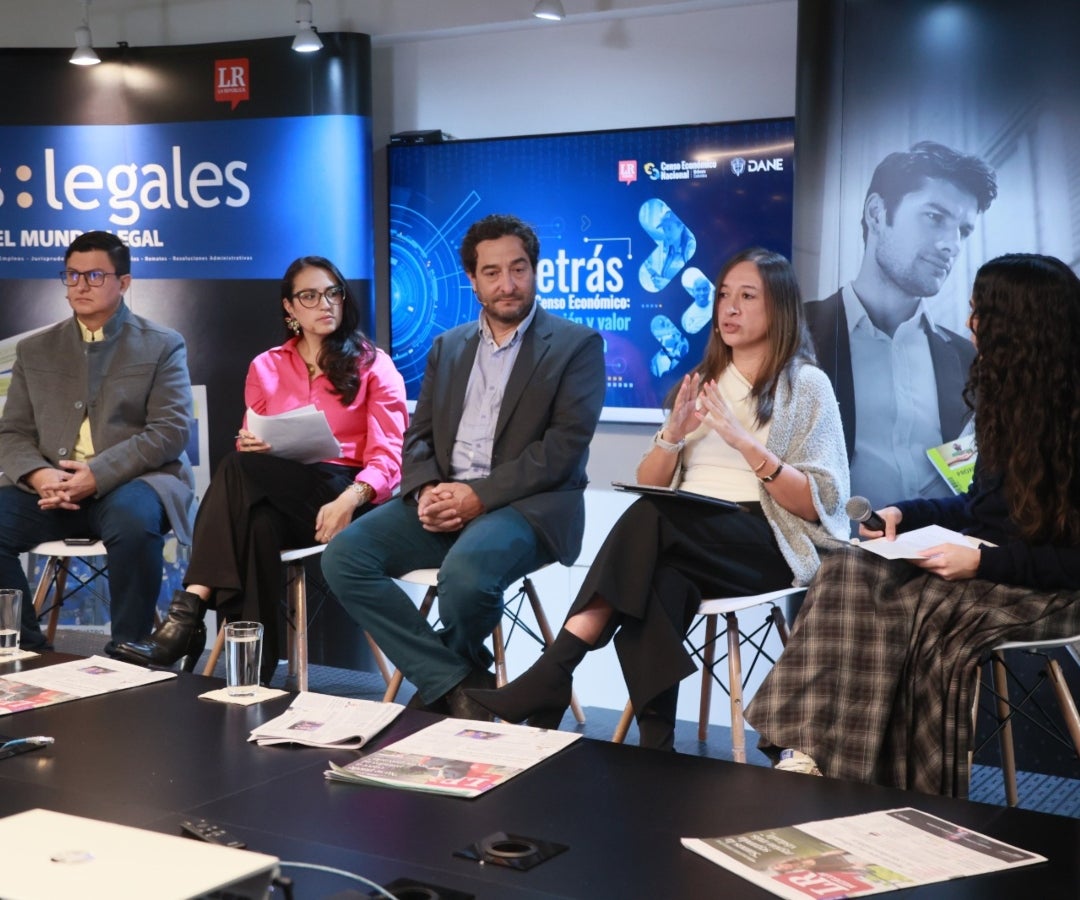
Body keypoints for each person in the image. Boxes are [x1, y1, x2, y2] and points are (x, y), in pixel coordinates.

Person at [468, 248, 850, 749]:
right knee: (657, 581)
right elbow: (650, 477)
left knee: (650, 520)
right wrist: (673, 434)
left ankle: (555, 671)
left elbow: (820, 502)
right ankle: (656, 743)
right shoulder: (703, 382)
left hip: (766, 537)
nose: (729, 309)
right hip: (686, 533)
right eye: (723, 297)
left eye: (747, 297)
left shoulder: (806, 386)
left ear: (779, 308)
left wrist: (745, 443)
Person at [745, 253, 1080, 797]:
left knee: (919, 609)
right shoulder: (1005, 398)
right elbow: (980, 510)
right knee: (847, 568)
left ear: (1023, 326)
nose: (969, 323)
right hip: (987, 561)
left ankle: (886, 779)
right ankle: (809, 749)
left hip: (1046, 586)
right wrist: (907, 512)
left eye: (981, 313)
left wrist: (984, 561)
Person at [321, 214, 606, 720]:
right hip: (445, 498)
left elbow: (561, 450)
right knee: (343, 558)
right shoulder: (447, 347)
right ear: (472, 280)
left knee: (467, 575)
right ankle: (461, 680)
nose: (508, 284)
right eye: (492, 272)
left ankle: (445, 684)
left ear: (536, 271)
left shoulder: (575, 346)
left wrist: (479, 497)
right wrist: (429, 487)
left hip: (526, 506)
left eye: (518, 269)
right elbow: (419, 435)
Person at [116, 256, 408, 680]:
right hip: (278, 488)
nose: (324, 304)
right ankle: (254, 676)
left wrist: (351, 498)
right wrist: (253, 442)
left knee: (238, 468)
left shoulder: (372, 364)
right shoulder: (266, 366)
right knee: (258, 524)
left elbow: (390, 458)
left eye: (332, 293)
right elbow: (250, 438)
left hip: (345, 497)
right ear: (290, 308)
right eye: (309, 296)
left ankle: (188, 614)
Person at [0, 230, 194, 656]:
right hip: (51, 490)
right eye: (72, 275)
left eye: (93, 275)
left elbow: (170, 429)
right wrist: (39, 474)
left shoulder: (162, 344)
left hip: (133, 483)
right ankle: (26, 650)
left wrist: (98, 475)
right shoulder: (35, 350)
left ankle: (129, 651)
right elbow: (12, 432)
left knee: (132, 519)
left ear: (123, 283)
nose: (80, 286)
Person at [806, 141, 998, 509]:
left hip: (942, 553)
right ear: (877, 213)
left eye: (963, 231)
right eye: (934, 217)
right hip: (839, 551)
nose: (951, 245)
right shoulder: (798, 331)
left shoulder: (964, 356)